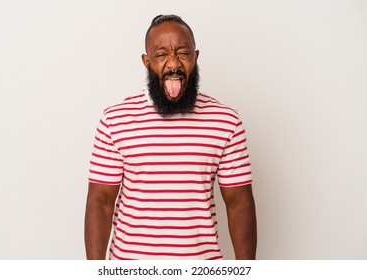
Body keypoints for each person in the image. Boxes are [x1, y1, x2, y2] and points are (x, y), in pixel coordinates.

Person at [84, 14, 257, 260]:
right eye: (161, 54)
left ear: (195, 57)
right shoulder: (115, 120)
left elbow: (239, 204)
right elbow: (100, 202)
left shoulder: (226, 121)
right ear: (147, 62)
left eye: (182, 53)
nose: (173, 63)